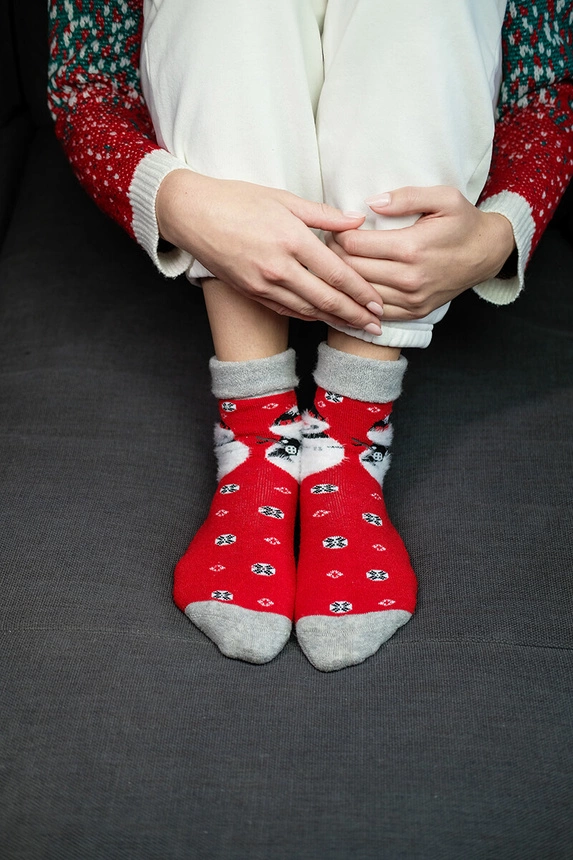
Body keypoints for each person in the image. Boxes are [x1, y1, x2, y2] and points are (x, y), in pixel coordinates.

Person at [48, 0, 573, 671]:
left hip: (403, 244)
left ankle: (350, 434)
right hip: (229, 231)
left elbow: (541, 85)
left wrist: (499, 231)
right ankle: (256, 426)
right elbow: (85, 80)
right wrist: (175, 200)